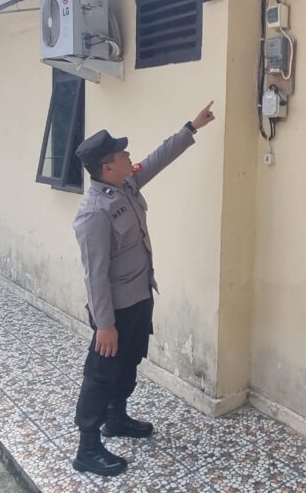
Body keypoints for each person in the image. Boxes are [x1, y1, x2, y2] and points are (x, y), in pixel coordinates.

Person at [70, 102, 215, 476]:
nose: (128, 156)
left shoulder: (126, 184)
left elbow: (156, 159)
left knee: (129, 362)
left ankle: (116, 418)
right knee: (101, 374)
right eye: (121, 154)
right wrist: (104, 324)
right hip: (114, 310)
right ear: (107, 167)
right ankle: (87, 448)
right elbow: (95, 275)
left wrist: (191, 128)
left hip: (139, 298)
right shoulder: (94, 213)